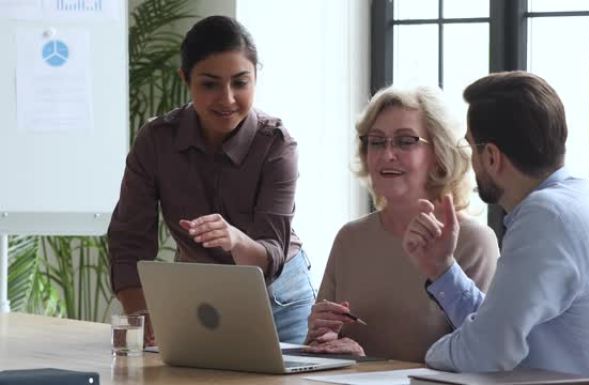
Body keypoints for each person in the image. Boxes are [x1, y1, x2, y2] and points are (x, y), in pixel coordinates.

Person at [403, 71, 589, 384]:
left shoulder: (546, 217)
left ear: (491, 156)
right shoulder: (581, 199)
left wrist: (426, 356)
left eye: (470, 148)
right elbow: (497, 332)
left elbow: (489, 351)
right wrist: (443, 270)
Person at [107, 16, 315, 344]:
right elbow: (129, 241)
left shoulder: (276, 144)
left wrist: (236, 240)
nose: (227, 98)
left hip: (278, 296)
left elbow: (272, 252)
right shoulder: (157, 140)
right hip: (199, 295)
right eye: (210, 84)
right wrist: (143, 317)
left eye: (240, 82)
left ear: (256, 78)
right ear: (186, 80)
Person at [305, 86, 499, 362]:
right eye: (376, 141)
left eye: (405, 141)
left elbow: (482, 356)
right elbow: (322, 343)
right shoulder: (350, 238)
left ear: (439, 155)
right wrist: (323, 338)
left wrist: (368, 363)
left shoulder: (474, 241)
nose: (387, 154)